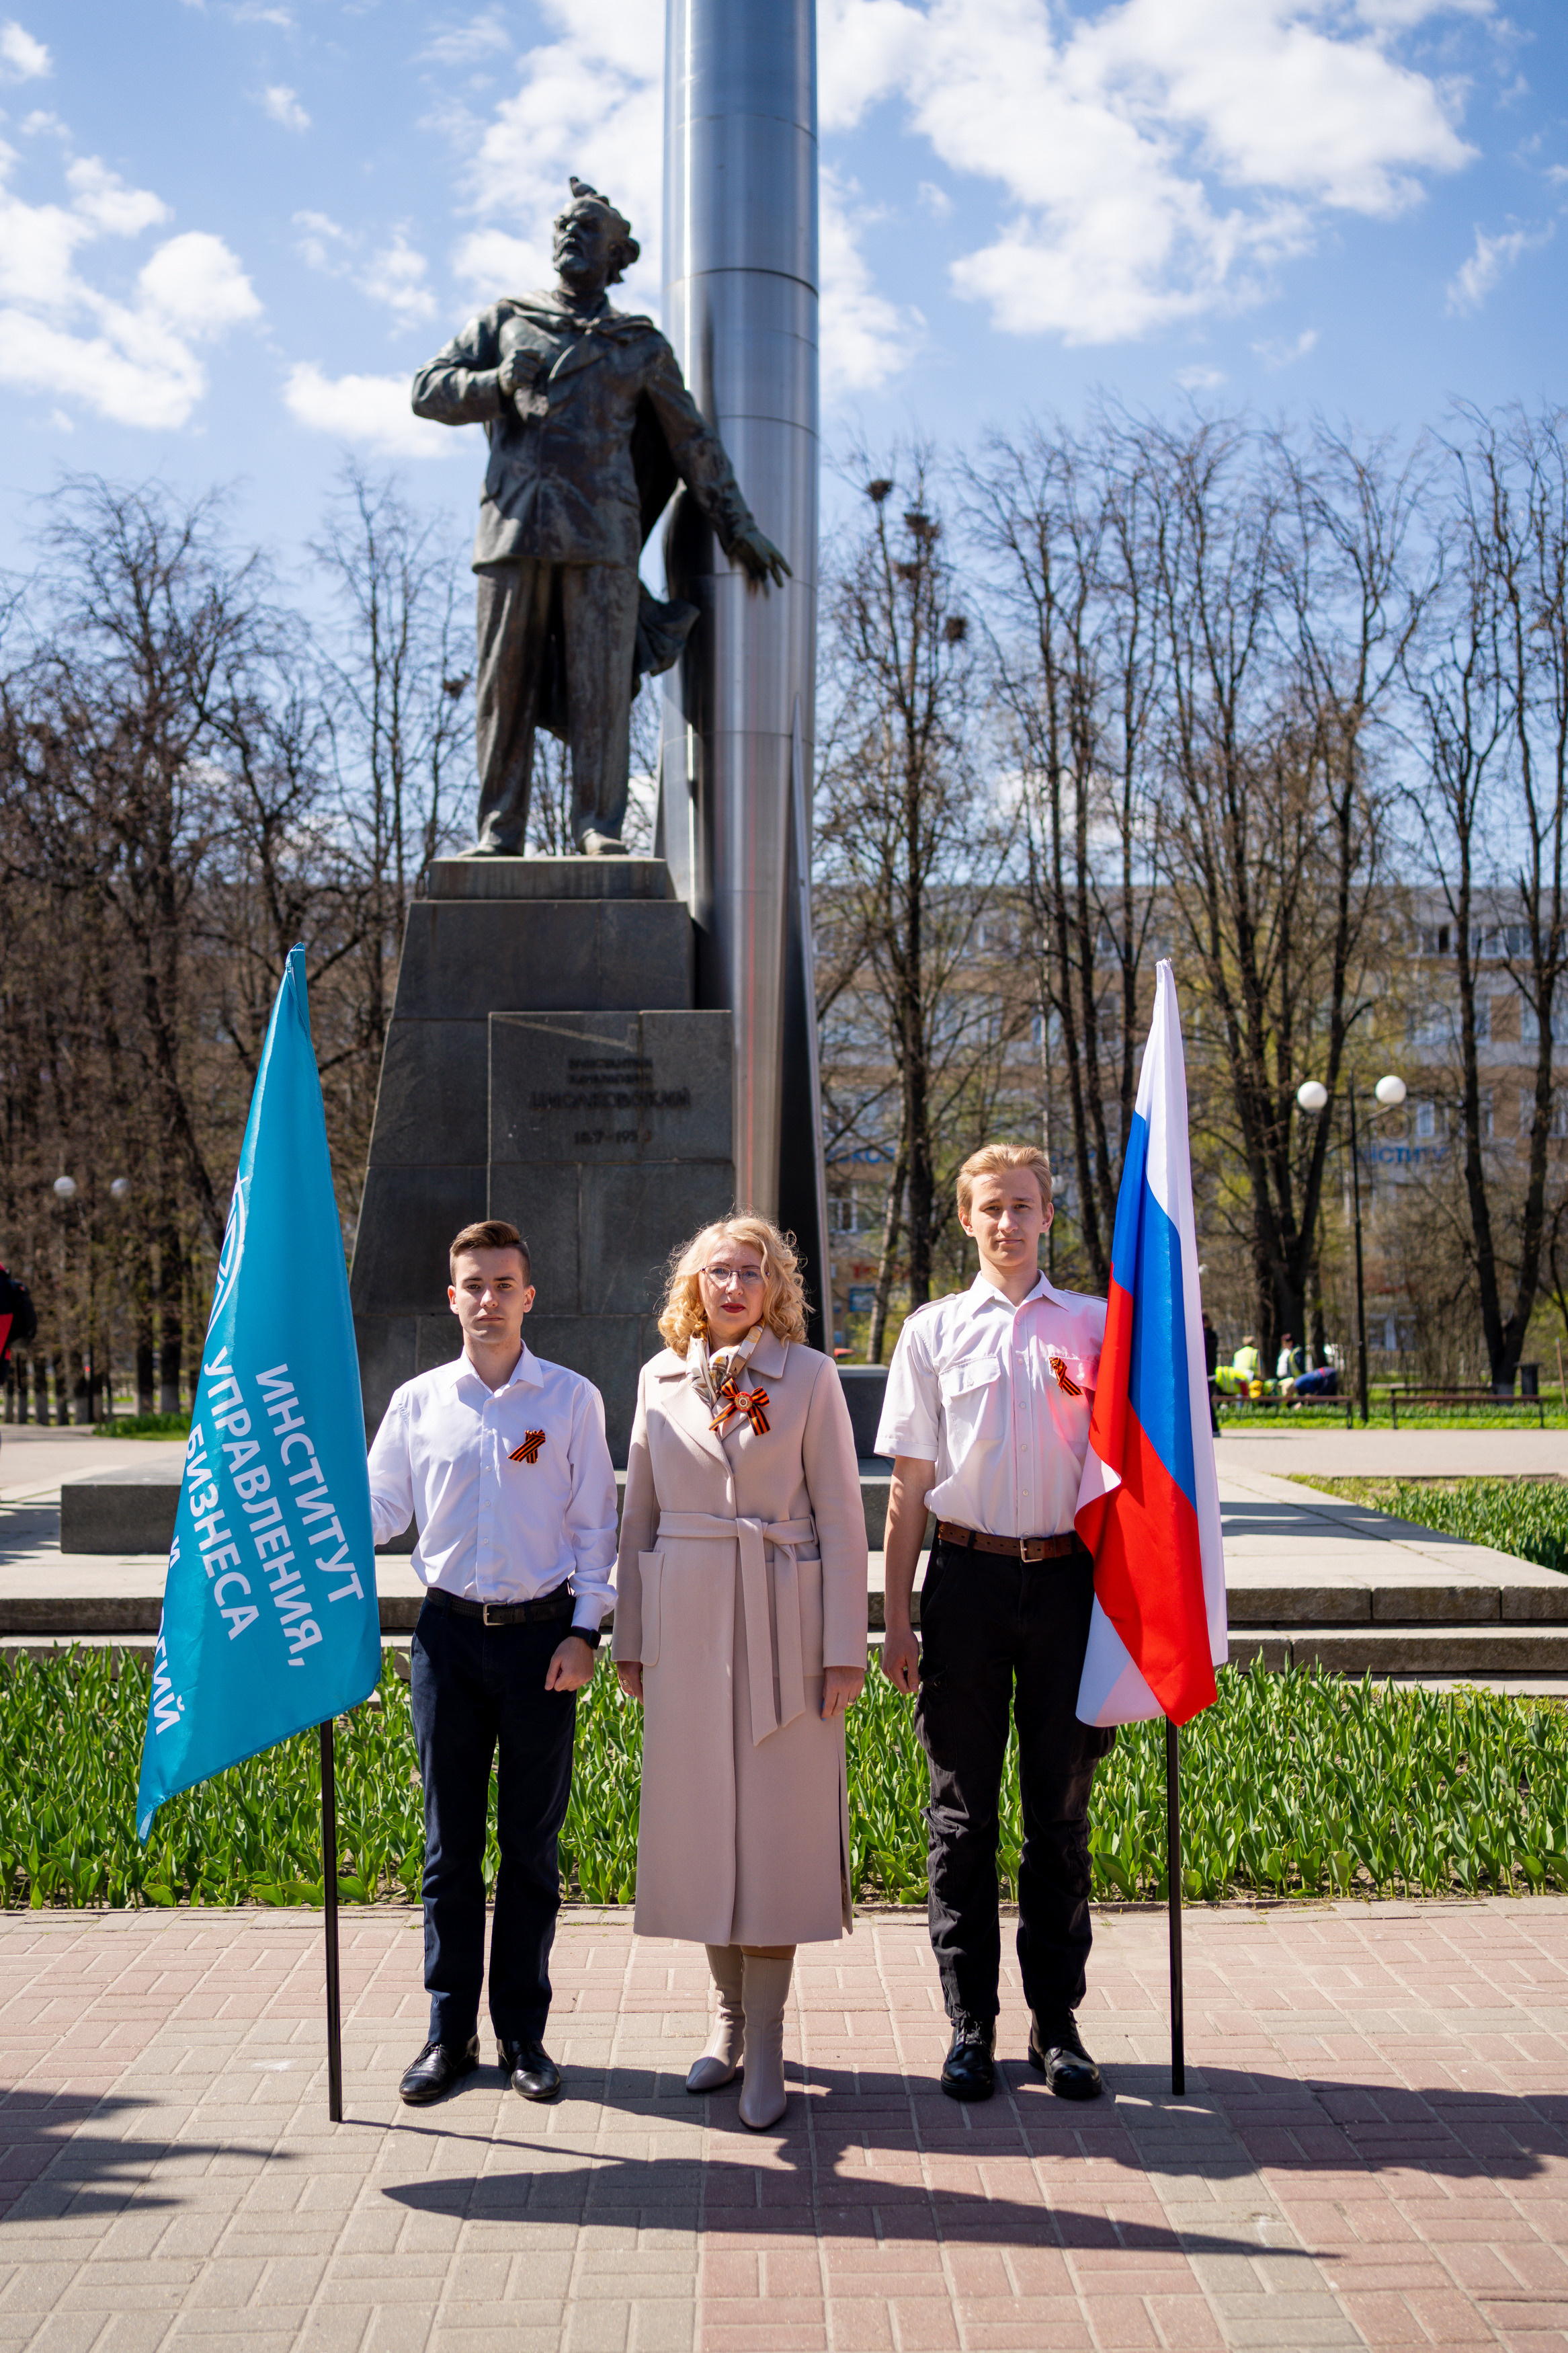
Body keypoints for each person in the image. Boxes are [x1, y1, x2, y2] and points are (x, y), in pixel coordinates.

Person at [411, 179, 788, 857]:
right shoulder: (506, 319)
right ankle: (500, 831)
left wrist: (737, 526)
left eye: (587, 229)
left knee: (601, 690)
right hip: (513, 529)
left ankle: (598, 827)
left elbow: (691, 441)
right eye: (562, 225)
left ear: (616, 255)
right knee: (506, 686)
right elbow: (427, 390)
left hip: (600, 536)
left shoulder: (638, 344)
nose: (569, 236)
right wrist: (496, 383)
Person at [612, 1216, 868, 2131]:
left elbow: (841, 1516)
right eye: (717, 1271)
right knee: (704, 1832)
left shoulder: (807, 1377)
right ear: (693, 1283)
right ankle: (723, 2024)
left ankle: (767, 2040)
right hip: (684, 1625)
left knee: (774, 1838)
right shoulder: (658, 1377)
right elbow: (636, 1515)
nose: (732, 1287)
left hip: (782, 1625)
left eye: (749, 1273)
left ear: (774, 1288)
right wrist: (630, 1640)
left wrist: (844, 1648)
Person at [876, 1143, 1114, 2106]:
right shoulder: (933, 1332)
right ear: (966, 1222)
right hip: (966, 1585)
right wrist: (895, 1618)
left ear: (1048, 1216)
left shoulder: (1099, 1328)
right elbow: (907, 1489)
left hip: (1067, 1587)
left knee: (1059, 1816)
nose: (1008, 1224)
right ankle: (969, 2025)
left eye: (1024, 1206)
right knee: (961, 1817)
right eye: (990, 1209)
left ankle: (1056, 2028)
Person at [368, 1218, 616, 2107]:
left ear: (528, 1296)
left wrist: (584, 1633)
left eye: (503, 1284)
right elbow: (382, 1509)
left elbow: (597, 1530)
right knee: (448, 1852)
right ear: (452, 1298)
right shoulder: (419, 1402)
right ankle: (448, 2035)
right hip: (444, 1640)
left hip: (541, 1643)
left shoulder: (571, 1401)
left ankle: (522, 2035)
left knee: (530, 1849)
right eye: (472, 1285)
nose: (487, 1299)